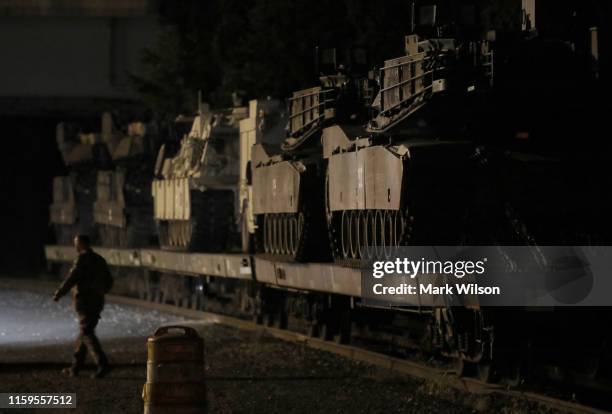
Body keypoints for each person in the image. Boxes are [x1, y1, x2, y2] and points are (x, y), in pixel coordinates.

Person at [53, 234, 113, 378]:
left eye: (76, 243)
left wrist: (59, 293)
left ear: (81, 244)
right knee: (85, 332)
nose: (75, 246)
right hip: (97, 301)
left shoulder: (82, 260)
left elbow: (71, 279)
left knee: (87, 333)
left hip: (85, 302)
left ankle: (103, 364)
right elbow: (109, 280)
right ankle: (75, 367)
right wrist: (101, 292)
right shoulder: (99, 259)